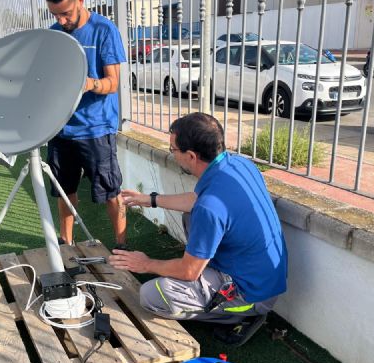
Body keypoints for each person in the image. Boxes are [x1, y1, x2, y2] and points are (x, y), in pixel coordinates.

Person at [108, 113, 288, 345]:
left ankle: (238, 315)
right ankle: (211, 279)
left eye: (173, 150)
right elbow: (197, 200)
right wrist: (149, 199)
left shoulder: (209, 207)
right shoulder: (239, 165)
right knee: (190, 216)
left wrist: (146, 264)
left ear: (191, 156)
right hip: (263, 277)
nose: (172, 154)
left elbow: (189, 272)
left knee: (152, 295)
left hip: (251, 294)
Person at [43, 0, 127, 248]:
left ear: (80, 0)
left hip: (96, 128)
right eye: (55, 15)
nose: (61, 21)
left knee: (110, 191)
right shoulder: (55, 35)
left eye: (66, 13)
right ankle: (65, 243)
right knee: (64, 191)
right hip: (62, 129)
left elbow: (113, 83)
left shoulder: (104, 30)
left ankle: (121, 245)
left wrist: (89, 84)